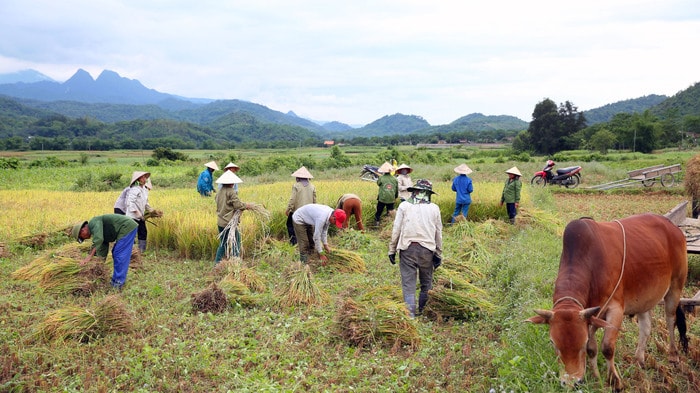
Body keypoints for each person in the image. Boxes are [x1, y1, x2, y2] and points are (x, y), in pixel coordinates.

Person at [388, 179, 443, 318]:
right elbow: (438, 233)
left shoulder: (404, 206)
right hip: (427, 250)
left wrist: (392, 250)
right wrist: (438, 253)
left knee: (409, 285)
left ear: (415, 192)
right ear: (428, 194)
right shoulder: (434, 208)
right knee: (426, 283)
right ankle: (423, 312)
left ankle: (411, 315)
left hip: (407, 249)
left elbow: (396, 229)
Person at [71, 214, 139, 289]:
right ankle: (116, 281)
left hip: (126, 227)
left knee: (119, 254)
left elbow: (99, 239)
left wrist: (89, 256)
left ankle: (118, 283)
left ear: (82, 230)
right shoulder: (98, 232)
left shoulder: (94, 222)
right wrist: (98, 265)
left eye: (82, 237)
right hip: (125, 228)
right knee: (116, 252)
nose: (85, 239)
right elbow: (102, 250)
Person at [215, 170, 252, 264]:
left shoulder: (219, 192)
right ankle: (236, 261)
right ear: (231, 182)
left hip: (220, 221)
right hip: (228, 223)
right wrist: (246, 206)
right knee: (237, 241)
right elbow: (238, 205)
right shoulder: (231, 191)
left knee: (223, 243)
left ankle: (217, 263)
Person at [120, 171, 153, 253]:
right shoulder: (134, 189)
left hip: (141, 216)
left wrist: (151, 210)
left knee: (143, 232)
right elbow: (130, 203)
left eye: (145, 177)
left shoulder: (145, 190)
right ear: (137, 179)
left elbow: (146, 202)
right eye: (142, 177)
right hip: (132, 216)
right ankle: (129, 250)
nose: (144, 179)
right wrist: (137, 213)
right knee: (131, 234)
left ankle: (141, 251)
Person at [284, 166, 317, 245]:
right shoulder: (312, 186)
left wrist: (288, 209)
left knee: (289, 224)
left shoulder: (296, 186)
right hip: (309, 211)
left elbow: (292, 199)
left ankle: (294, 242)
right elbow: (314, 200)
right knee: (308, 227)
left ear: (298, 177)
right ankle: (311, 244)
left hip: (297, 211)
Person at [374, 161, 398, 226]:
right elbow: (396, 189)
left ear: (383, 171)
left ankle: (377, 222)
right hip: (391, 198)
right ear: (390, 171)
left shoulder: (381, 178)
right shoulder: (395, 179)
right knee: (390, 211)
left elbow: (378, 184)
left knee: (379, 210)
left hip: (382, 198)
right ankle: (389, 223)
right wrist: (395, 197)